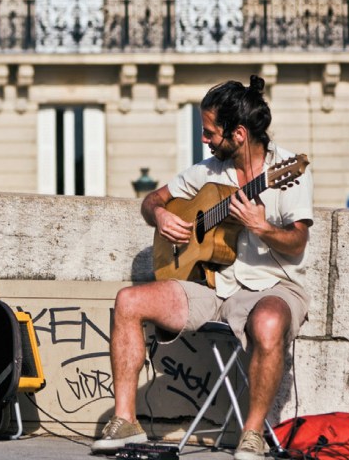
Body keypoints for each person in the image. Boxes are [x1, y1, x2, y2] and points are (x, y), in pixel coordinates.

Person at [91, 75, 313, 460]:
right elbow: (151, 200)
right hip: (213, 286)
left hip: (273, 287)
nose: (204, 139)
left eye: (210, 132)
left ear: (239, 133)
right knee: (128, 300)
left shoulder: (287, 172)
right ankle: (125, 421)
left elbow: (297, 243)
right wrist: (160, 215)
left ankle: (253, 433)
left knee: (268, 323)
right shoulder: (208, 171)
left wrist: (261, 226)